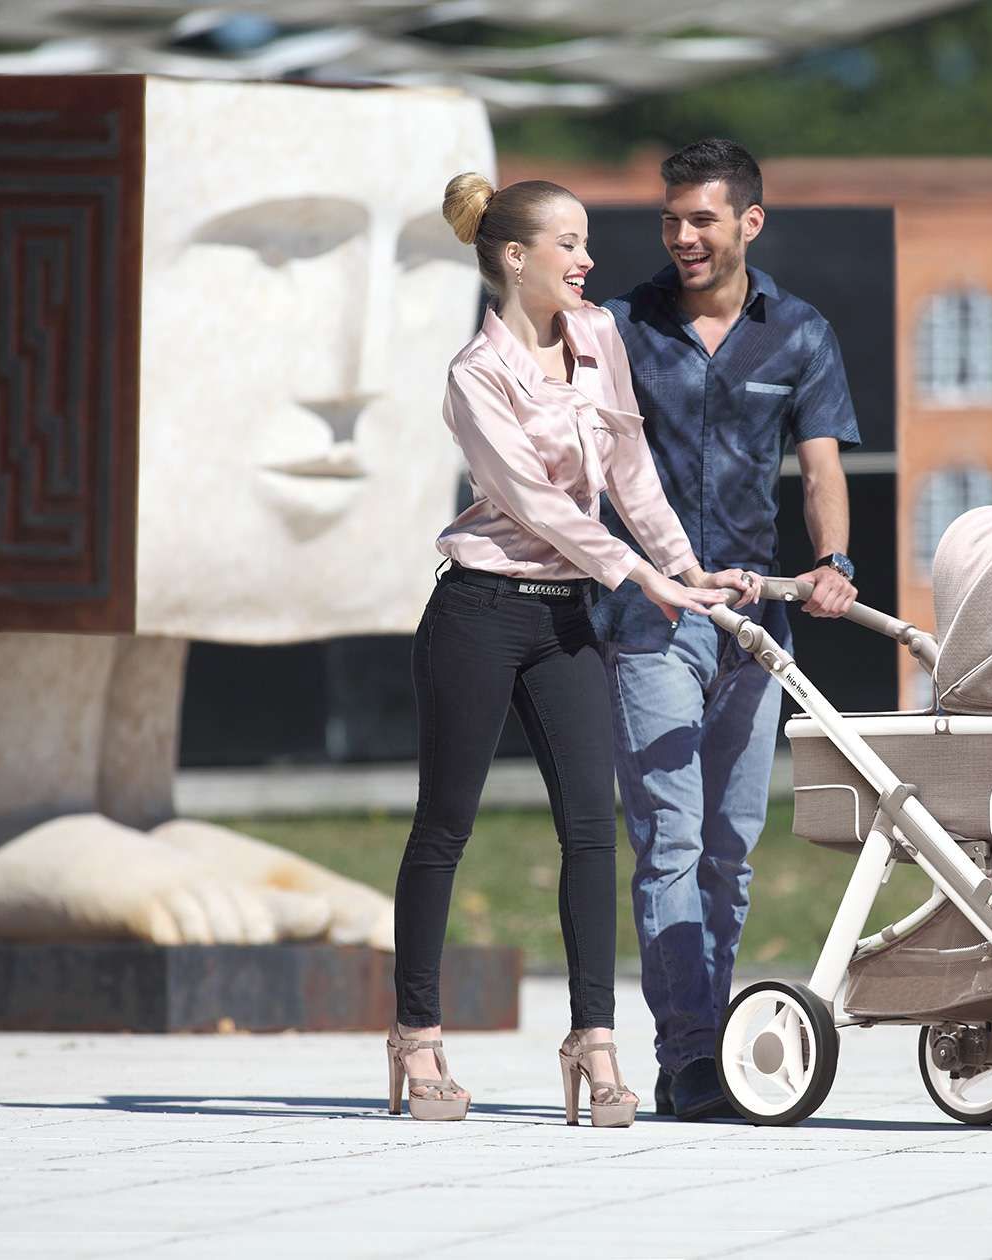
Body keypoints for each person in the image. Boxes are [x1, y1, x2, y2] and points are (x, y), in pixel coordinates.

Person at [386, 174, 758, 1127]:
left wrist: (685, 569)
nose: (587, 260)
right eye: (568, 244)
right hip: (478, 610)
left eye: (586, 241)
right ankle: (417, 1038)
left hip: (567, 622)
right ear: (515, 258)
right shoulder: (477, 373)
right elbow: (537, 506)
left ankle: (594, 1042)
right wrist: (639, 577)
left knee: (594, 829)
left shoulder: (598, 336)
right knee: (445, 828)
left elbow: (631, 471)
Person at [594, 140, 862, 1120]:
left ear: (750, 220)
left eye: (701, 219)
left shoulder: (798, 333)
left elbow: (823, 469)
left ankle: (701, 1037)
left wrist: (833, 566)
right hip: (650, 617)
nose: (682, 237)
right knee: (666, 838)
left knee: (728, 849)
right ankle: (692, 1055)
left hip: (757, 622)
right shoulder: (619, 327)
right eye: (670, 220)